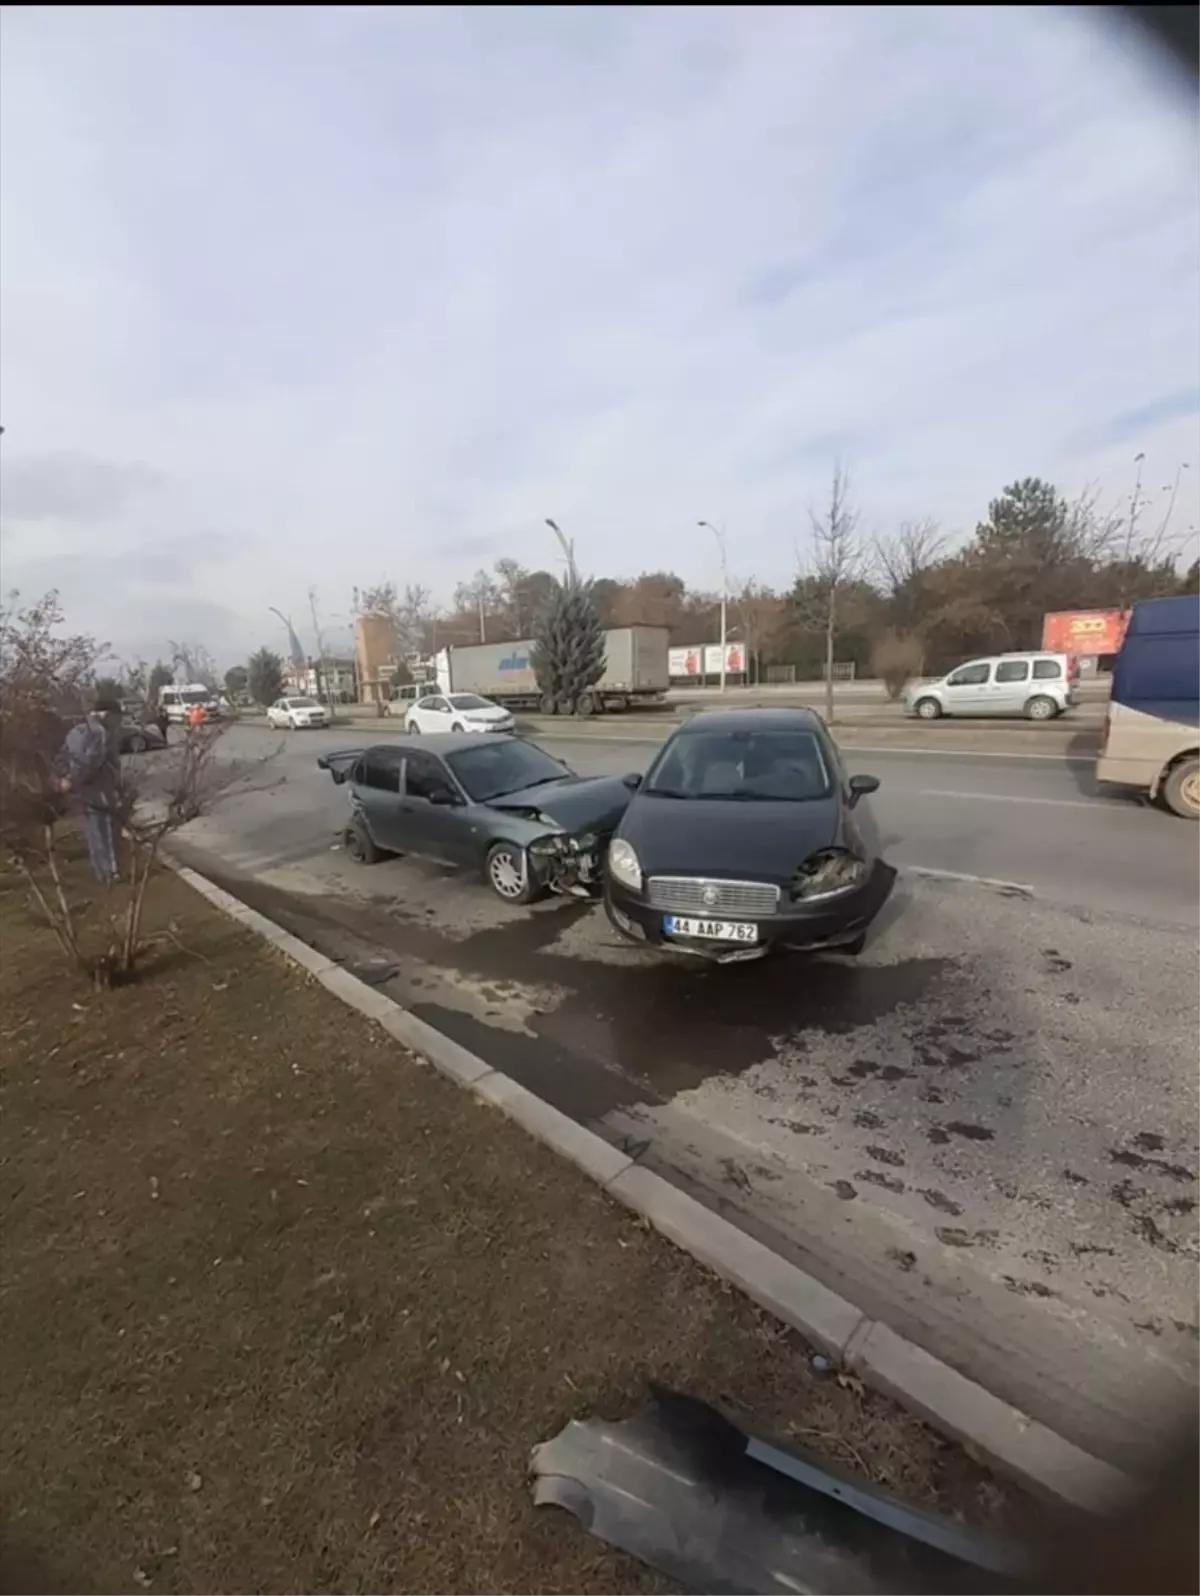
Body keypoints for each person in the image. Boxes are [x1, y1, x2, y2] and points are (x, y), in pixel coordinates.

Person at [56, 694, 123, 883]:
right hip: (101, 791)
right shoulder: (99, 732)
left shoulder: (77, 730)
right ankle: (111, 873)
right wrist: (71, 779)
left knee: (94, 829)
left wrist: (64, 778)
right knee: (105, 831)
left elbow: (63, 756)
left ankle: (102, 873)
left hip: (87, 791)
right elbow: (91, 762)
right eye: (117, 717)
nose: (119, 722)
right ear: (107, 714)